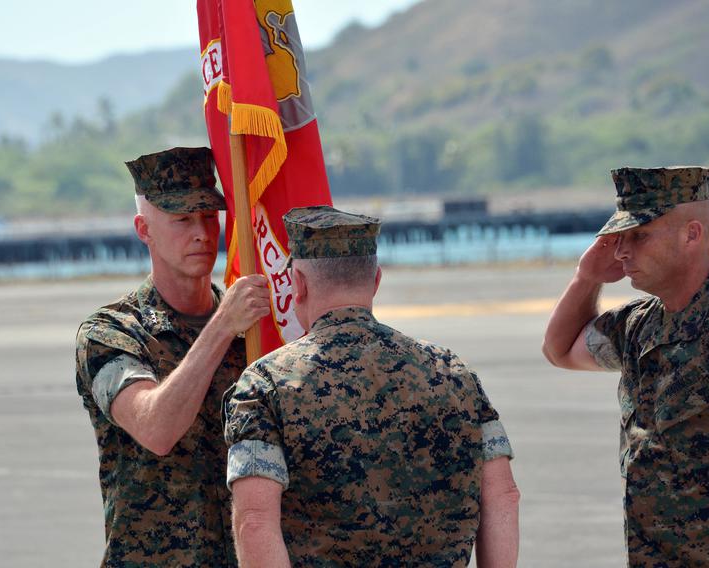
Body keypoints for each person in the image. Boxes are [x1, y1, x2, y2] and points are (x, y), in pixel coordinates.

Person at [223, 205, 520, 567]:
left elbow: (255, 522)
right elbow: (503, 495)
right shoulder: (453, 372)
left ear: (297, 284)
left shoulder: (265, 384)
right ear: (376, 280)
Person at [542, 167, 709, 565]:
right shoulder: (639, 325)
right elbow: (560, 350)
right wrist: (586, 277)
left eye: (639, 235)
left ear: (691, 235)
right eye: (619, 238)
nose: (622, 251)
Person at [74, 147, 270, 566]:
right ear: (144, 229)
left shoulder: (252, 331)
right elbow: (156, 428)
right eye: (182, 220)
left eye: (208, 216)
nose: (201, 232)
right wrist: (222, 326)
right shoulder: (112, 332)